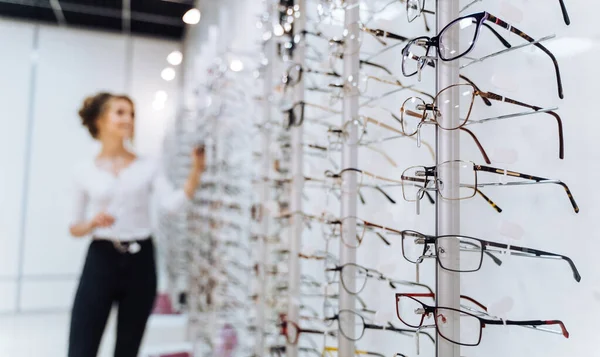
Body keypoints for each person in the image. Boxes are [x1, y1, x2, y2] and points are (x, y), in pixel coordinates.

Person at [67, 92, 205, 357]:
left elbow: (170, 205)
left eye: (131, 114)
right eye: (119, 112)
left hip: (141, 261)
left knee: (128, 348)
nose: (128, 119)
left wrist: (196, 172)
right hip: (101, 259)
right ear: (100, 120)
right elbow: (74, 227)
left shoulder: (148, 164)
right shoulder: (84, 169)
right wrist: (93, 222)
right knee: (82, 345)